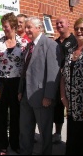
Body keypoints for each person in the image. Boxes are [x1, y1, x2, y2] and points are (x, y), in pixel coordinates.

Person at [18, 17, 61, 155]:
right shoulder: (29, 46)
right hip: (26, 95)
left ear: (39, 28)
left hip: (42, 96)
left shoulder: (50, 45)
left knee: (44, 132)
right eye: (26, 27)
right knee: (25, 129)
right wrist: (20, 90)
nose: (27, 30)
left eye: (30, 27)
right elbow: (25, 70)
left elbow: (54, 73)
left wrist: (48, 95)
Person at [60, 17, 83, 155]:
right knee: (73, 137)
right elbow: (63, 75)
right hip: (71, 103)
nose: (79, 31)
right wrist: (63, 96)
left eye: (82, 29)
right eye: (77, 29)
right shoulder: (71, 51)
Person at [0, 12, 28, 155]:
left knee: (16, 115)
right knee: (0, 115)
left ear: (13, 26)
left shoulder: (24, 43)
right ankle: (2, 145)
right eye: (2, 26)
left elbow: (26, 67)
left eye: (6, 26)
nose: (3, 29)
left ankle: (15, 143)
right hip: (1, 82)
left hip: (16, 82)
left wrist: (22, 88)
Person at [53, 17, 77, 144]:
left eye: (61, 23)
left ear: (68, 24)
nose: (59, 25)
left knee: (70, 108)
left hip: (70, 80)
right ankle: (57, 134)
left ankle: (73, 138)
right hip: (56, 81)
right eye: (57, 23)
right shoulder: (55, 42)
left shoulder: (74, 41)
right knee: (57, 107)